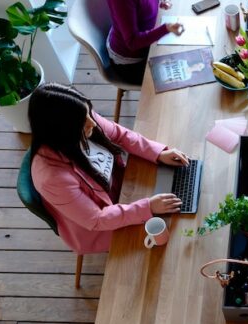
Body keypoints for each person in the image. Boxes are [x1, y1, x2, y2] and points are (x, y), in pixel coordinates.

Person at [29, 83, 190, 254]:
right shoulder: (52, 178)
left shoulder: (82, 118)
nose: (93, 122)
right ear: (62, 130)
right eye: (83, 122)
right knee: (173, 242)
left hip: (123, 190)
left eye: (89, 113)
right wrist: (147, 207)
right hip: (100, 227)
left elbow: (120, 135)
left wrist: (158, 153)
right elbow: (96, 219)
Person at [106, 0, 185, 84]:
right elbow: (132, 42)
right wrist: (165, 29)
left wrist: (159, 3)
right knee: (177, 82)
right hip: (131, 63)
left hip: (147, 44)